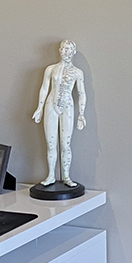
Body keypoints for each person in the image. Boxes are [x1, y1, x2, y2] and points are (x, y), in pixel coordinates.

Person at [32, 39, 86, 188]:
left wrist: (81, 114)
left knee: (65, 144)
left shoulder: (77, 73)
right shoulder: (50, 69)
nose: (66, 52)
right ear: (59, 51)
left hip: (68, 106)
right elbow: (44, 89)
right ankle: (51, 175)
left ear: (74, 52)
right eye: (63, 49)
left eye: (69, 49)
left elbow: (81, 93)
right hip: (51, 105)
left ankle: (66, 176)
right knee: (50, 144)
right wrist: (39, 108)